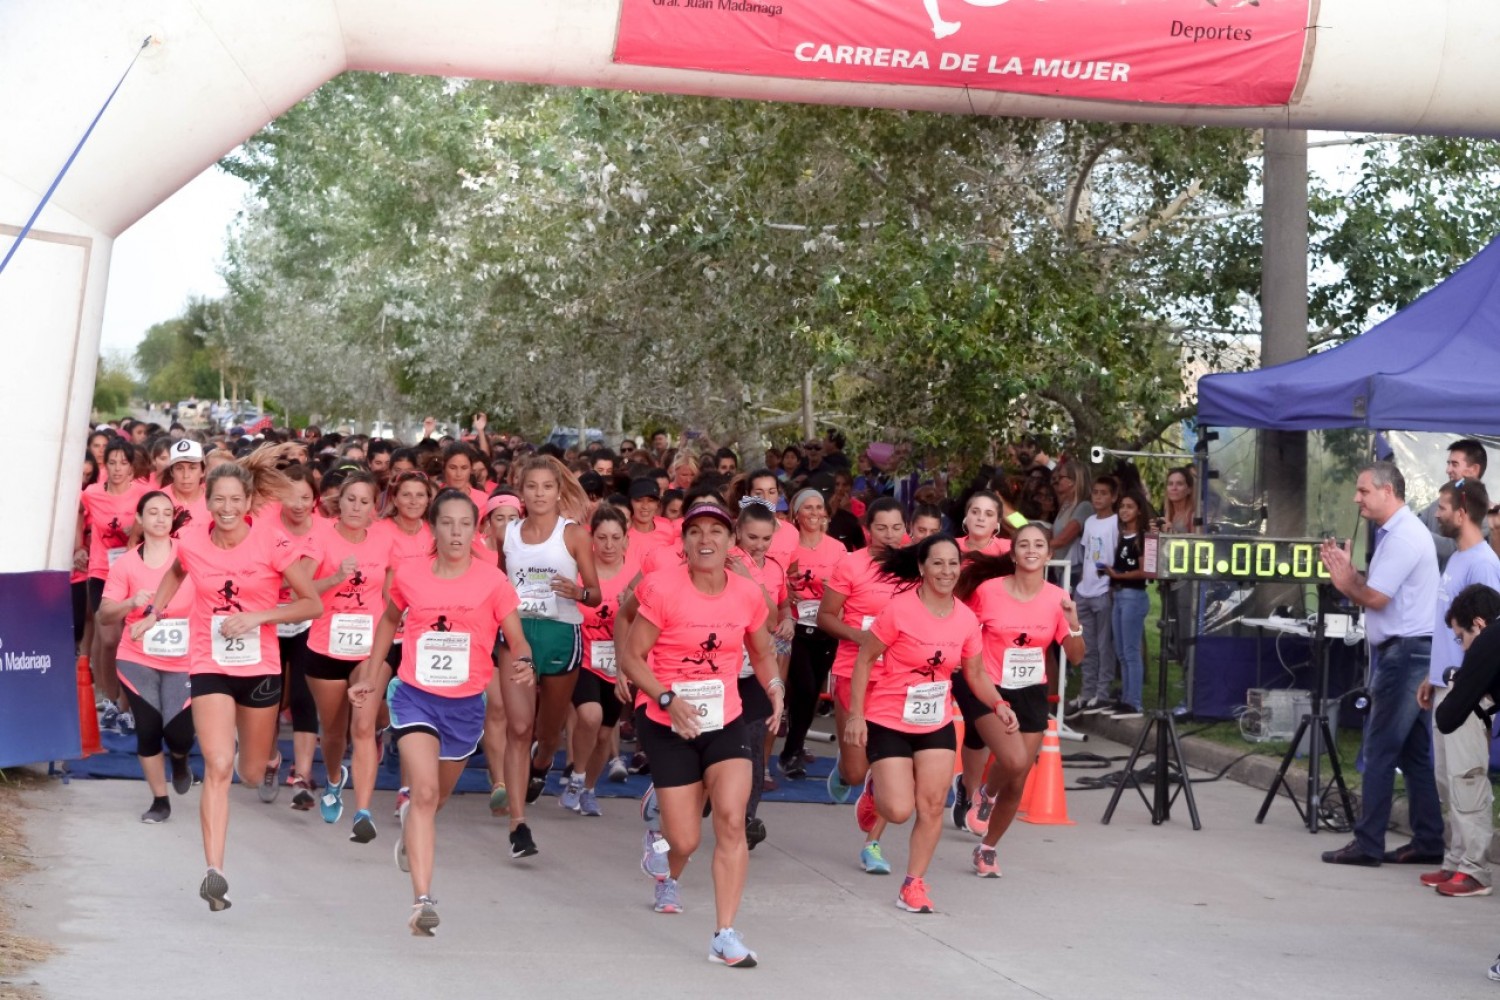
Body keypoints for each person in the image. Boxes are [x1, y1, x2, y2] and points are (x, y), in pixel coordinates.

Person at [128, 452, 322, 912]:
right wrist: (153, 614)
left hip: (259, 669)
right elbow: (175, 574)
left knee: (250, 774)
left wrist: (260, 615)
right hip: (210, 662)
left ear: (249, 501)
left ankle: (270, 758)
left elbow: (311, 603)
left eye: (235, 499)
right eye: (219, 500)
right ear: (208, 502)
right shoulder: (192, 540)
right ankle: (214, 872)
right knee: (217, 763)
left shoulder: (272, 543)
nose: (227, 508)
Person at [348, 489, 534, 936]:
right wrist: (373, 674)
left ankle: (414, 829)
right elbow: (390, 621)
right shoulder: (411, 575)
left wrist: (525, 660)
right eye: (447, 523)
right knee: (425, 792)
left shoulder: (493, 582)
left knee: (435, 800)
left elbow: (515, 636)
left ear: (478, 530)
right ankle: (422, 901)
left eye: (465, 524)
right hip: (413, 696)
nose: (456, 532)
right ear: (434, 527)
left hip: (466, 706)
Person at [618, 500, 784, 968]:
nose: (705, 539)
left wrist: (774, 687)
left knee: (732, 820)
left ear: (732, 543)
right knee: (685, 839)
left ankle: (724, 934)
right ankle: (664, 850)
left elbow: (763, 648)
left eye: (716, 531)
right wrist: (668, 699)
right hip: (667, 723)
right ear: (684, 542)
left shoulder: (747, 594)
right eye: (695, 532)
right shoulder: (662, 588)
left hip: (725, 719)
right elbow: (633, 657)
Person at [843, 534, 1012, 914]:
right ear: (922, 568)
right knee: (900, 810)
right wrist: (856, 714)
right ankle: (875, 790)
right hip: (888, 719)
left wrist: (998, 703)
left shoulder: (966, 619)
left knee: (933, 806)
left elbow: (975, 672)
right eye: (937, 563)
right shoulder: (898, 611)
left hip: (935, 720)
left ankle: (912, 884)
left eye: (953, 563)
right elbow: (865, 659)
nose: (946, 571)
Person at [1320, 461, 1442, 867]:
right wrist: (1351, 577)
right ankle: (1428, 840)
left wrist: (1345, 580)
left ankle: (1368, 843)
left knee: (1380, 747)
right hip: (1408, 650)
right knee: (1414, 753)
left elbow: (1375, 597)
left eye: (1363, 491)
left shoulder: (1405, 536)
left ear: (1388, 492)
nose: (1357, 499)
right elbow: (1374, 591)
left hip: (1405, 654)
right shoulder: (1397, 533)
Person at [954, 523, 1085, 873]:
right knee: (1012, 761)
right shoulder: (988, 590)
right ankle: (984, 795)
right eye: (1023, 544)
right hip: (987, 685)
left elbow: (1075, 656)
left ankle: (987, 848)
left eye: (1038, 544)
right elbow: (963, 629)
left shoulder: (1057, 598)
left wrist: (1073, 621)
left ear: (1048, 554)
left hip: (1030, 690)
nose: (1030, 549)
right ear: (1012, 554)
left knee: (1018, 776)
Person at [499, 455, 600, 858]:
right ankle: (517, 825)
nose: (539, 494)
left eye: (547, 487)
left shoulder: (573, 534)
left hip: (561, 636)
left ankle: (543, 763)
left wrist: (578, 593)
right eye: (531, 487)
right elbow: (494, 584)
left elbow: (595, 593)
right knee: (519, 728)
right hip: (517, 636)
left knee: (546, 733)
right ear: (521, 492)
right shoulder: (508, 534)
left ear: (559, 492)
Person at [1415, 480, 1500, 896]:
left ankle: (1476, 868)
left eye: (1444, 507)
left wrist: (1470, 686)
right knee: (1447, 778)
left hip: (1470, 691)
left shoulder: (1483, 564)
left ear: (1462, 512)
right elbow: (1451, 630)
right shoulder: (1458, 558)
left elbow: (1488, 638)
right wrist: (1431, 676)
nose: (1437, 514)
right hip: (1446, 684)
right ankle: (1455, 858)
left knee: (1468, 776)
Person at [304, 470, 394, 840]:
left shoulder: (383, 540)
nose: (357, 507)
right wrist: (335, 578)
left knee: (361, 725)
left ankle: (363, 810)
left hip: (368, 650)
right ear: (338, 502)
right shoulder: (320, 536)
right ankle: (333, 778)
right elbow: (301, 590)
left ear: (375, 507)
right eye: (351, 499)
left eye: (365, 501)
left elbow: (391, 595)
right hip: (325, 648)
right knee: (334, 733)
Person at [98, 491, 198, 823]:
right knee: (149, 728)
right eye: (152, 512)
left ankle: (181, 759)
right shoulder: (126, 564)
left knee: (179, 733)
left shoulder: (189, 557)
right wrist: (130, 603)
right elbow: (104, 615)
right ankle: (160, 800)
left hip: (183, 658)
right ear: (139, 518)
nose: (159, 518)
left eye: (166, 512)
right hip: (136, 656)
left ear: (174, 519)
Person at [819, 497, 906, 874]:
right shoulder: (850, 564)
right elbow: (825, 616)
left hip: (898, 676)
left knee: (889, 764)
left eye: (896, 528)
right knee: (857, 770)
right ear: (868, 529)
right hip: (853, 668)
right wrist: (860, 637)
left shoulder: (914, 566)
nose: (889, 535)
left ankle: (873, 843)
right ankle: (845, 772)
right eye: (881, 528)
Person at [562, 505, 636, 815]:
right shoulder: (581, 571)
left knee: (606, 731)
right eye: (602, 537)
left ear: (626, 540)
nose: (608, 545)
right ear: (593, 540)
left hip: (619, 665)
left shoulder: (635, 578)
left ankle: (590, 788)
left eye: (615, 538)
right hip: (585, 658)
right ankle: (576, 776)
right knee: (589, 716)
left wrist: (631, 607)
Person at [78, 438, 151, 733]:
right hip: (100, 571)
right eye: (112, 462)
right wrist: (76, 547)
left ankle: (126, 705)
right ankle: (110, 700)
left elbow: (159, 524)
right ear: (104, 465)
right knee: (108, 639)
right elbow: (78, 515)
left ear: (132, 467)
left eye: (123, 463)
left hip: (134, 574)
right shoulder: (92, 493)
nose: (118, 469)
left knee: (129, 639)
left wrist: (136, 531)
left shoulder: (144, 494)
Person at [732, 500, 793, 847]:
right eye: (752, 537)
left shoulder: (775, 567)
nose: (758, 545)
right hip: (726, 668)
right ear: (738, 532)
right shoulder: (729, 564)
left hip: (759, 665)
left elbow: (781, 606)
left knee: (756, 744)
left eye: (765, 538)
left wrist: (788, 618)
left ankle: (747, 818)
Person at [780, 488, 847, 779]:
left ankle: (795, 742)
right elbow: (776, 577)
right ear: (796, 513)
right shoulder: (789, 546)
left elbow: (847, 586)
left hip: (826, 629)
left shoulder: (837, 549)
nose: (814, 513)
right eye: (807, 508)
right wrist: (786, 590)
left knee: (809, 694)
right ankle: (790, 752)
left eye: (819, 507)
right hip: (795, 628)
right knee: (805, 688)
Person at [1100, 488, 1153, 718]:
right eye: (1122, 506)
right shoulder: (1121, 537)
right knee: (1121, 651)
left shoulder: (1141, 538)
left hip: (1134, 595)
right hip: (1119, 595)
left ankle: (1135, 702)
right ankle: (1125, 698)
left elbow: (1144, 572)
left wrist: (1117, 576)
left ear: (1139, 511)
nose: (1124, 511)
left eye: (1129, 507)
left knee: (1131, 651)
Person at [1070, 476, 1119, 715]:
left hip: (1103, 590)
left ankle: (1102, 692)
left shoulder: (1116, 522)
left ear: (1114, 497)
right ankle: (1087, 691)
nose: (1098, 497)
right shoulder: (1089, 521)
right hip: (1084, 590)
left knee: (1103, 644)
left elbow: (1117, 555)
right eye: (1095, 493)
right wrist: (1080, 583)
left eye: (1104, 493)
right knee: (1086, 645)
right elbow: (1087, 553)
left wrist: (1113, 585)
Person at [1416, 438, 1486, 568]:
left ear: (1474, 469)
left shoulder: (1485, 513)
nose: (1448, 470)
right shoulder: (1437, 504)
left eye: (1454, 464)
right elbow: (1416, 523)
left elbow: (1454, 547)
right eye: (1448, 464)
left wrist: (1415, 532)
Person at [957, 489, 1009, 557]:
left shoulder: (1008, 549)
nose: (981, 518)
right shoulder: (950, 545)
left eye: (989, 514)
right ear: (966, 517)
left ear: (997, 522)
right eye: (975, 512)